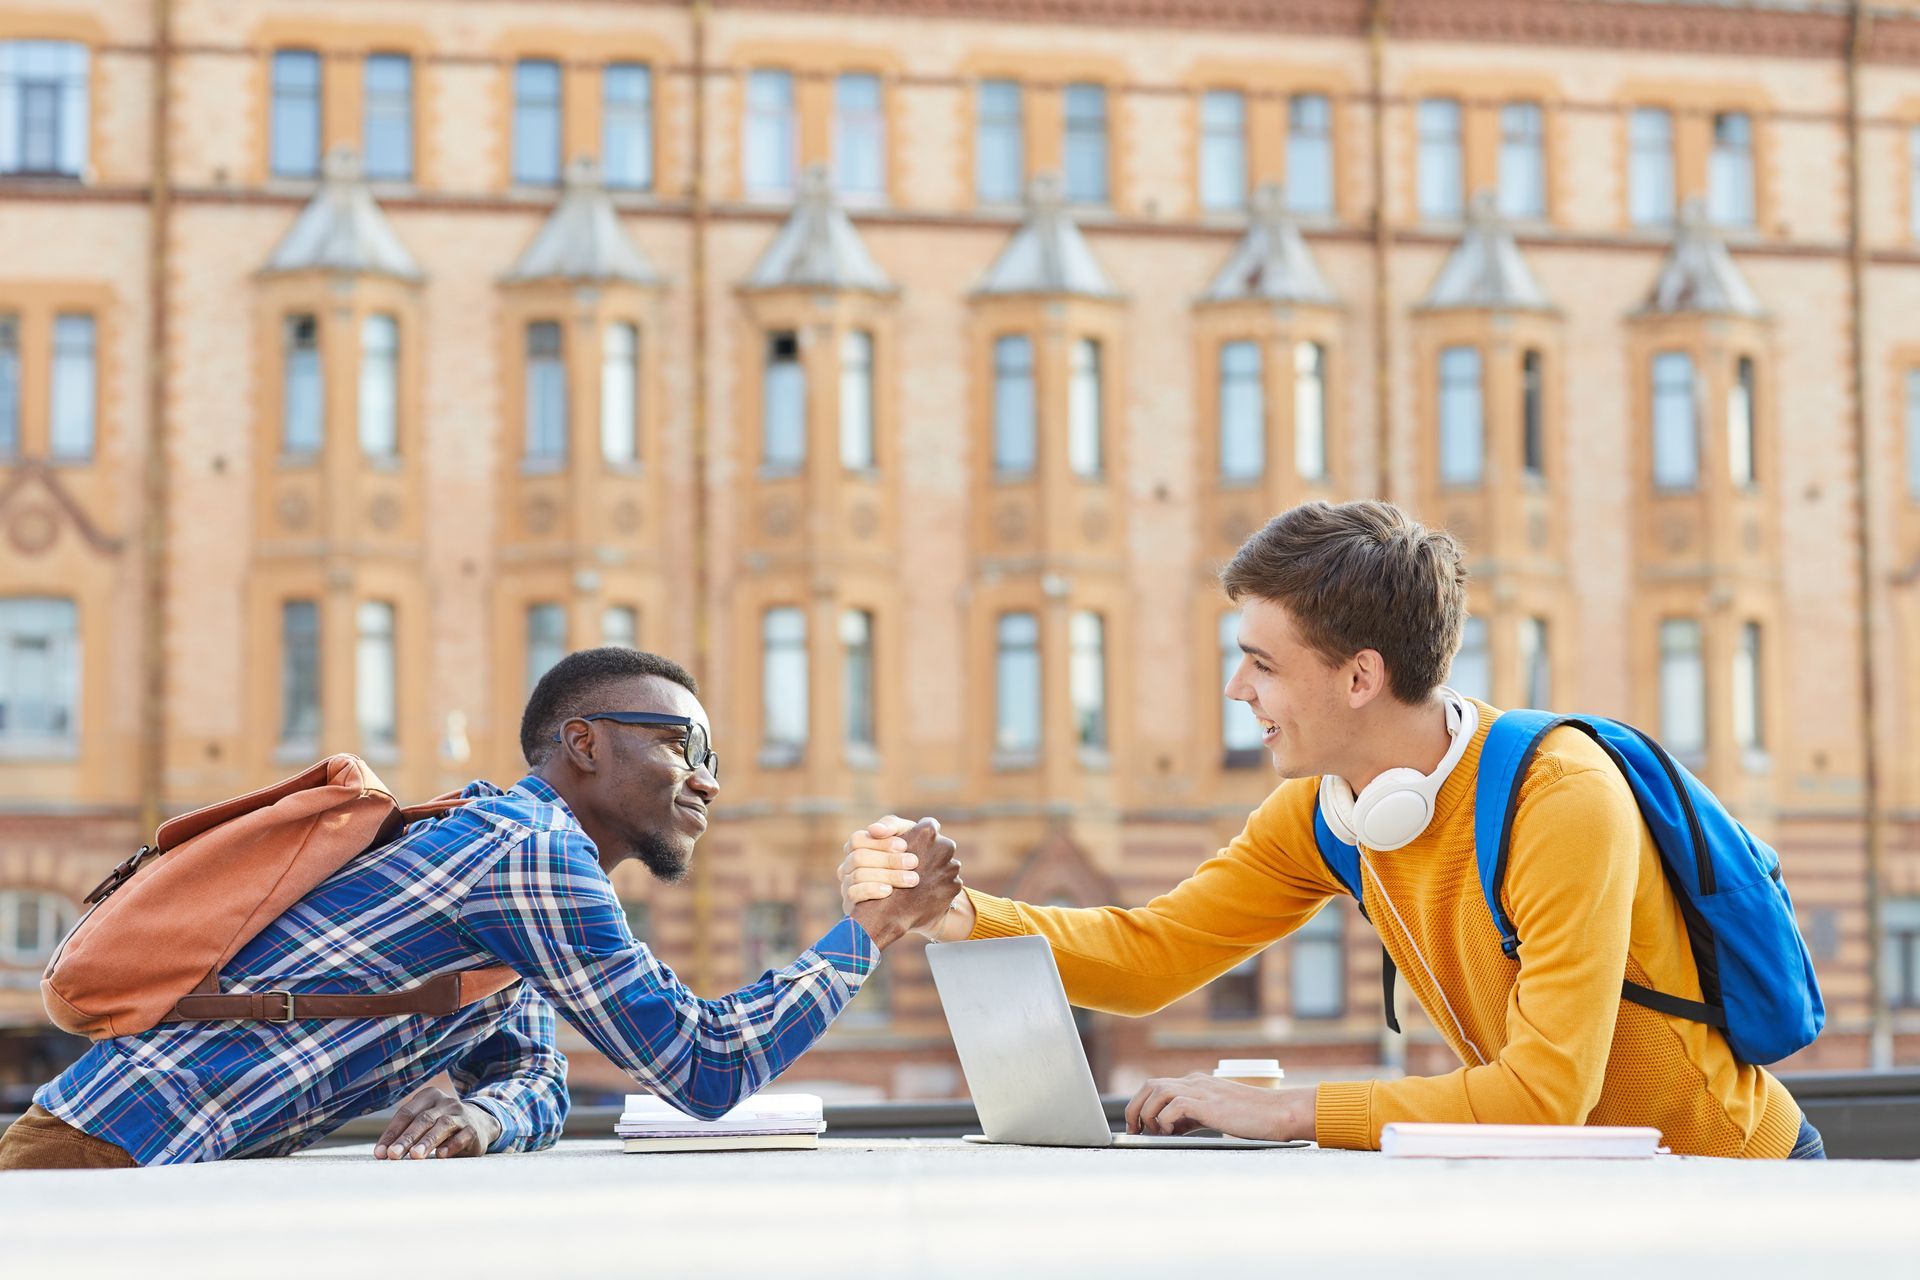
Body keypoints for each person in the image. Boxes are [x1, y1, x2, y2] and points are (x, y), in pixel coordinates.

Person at [842, 500, 1820, 1159]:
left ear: (1359, 676)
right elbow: (1155, 955)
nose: (1237, 689)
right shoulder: (1329, 815)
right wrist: (959, 913)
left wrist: (1284, 1108)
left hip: (1738, 1177)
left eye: (1260, 663)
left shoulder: (1558, 798)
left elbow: (1543, 1094)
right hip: (1583, 1182)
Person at [0, 648, 959, 1168]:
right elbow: (703, 1071)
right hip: (98, 1157)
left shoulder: (516, 868)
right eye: (684, 745)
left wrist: (485, 1117)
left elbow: (537, 1073)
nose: (708, 781)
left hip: (148, 1161)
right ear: (583, 743)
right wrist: (868, 933)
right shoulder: (526, 855)